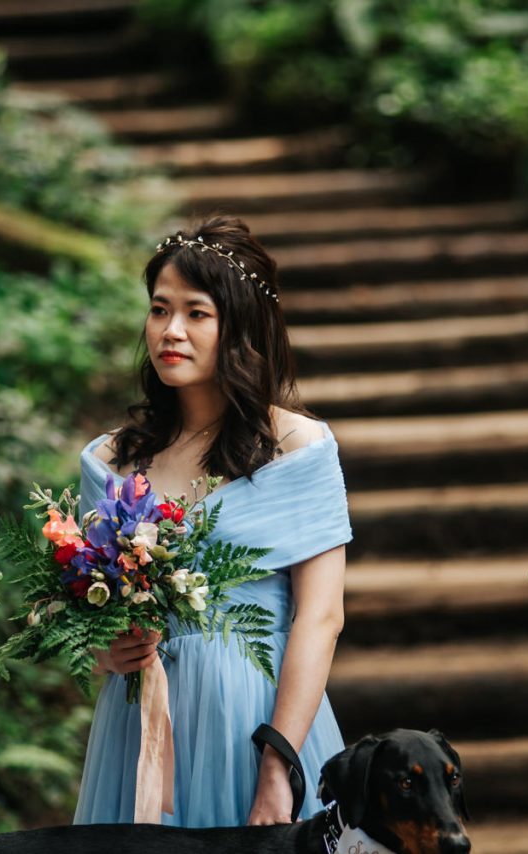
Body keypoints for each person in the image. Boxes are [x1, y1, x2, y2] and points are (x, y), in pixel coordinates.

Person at [73, 216, 351, 827]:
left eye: (196, 313)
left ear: (240, 327)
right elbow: (85, 619)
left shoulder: (298, 449)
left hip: (255, 720)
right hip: (139, 726)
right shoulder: (110, 461)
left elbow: (321, 616)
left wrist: (279, 764)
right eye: (159, 309)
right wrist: (108, 651)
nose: (170, 330)